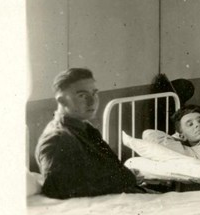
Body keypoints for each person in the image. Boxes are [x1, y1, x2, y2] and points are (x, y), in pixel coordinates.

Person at [36, 68, 149, 199]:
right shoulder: (58, 139)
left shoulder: (84, 128)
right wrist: (123, 180)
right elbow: (56, 189)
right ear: (62, 101)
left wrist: (126, 176)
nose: (92, 101)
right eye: (82, 95)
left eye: (94, 93)